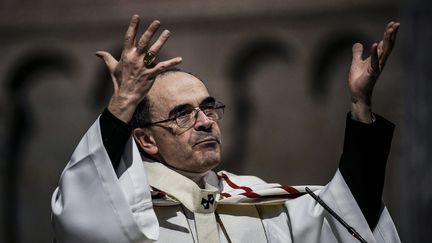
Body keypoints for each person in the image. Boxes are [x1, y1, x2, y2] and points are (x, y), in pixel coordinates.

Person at [51, 14, 401, 243]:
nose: (204, 121)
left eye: (207, 108)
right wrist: (123, 104)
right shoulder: (127, 211)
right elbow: (80, 214)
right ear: (145, 139)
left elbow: (348, 214)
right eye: (182, 114)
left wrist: (360, 104)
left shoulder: (256, 200)